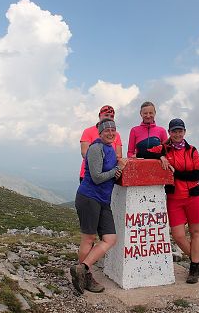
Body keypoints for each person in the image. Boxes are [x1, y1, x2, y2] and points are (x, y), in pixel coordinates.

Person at [70, 119, 128, 294]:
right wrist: (118, 168)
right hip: (89, 197)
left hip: (103, 200)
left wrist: (118, 169)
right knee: (88, 239)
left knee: (110, 239)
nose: (110, 133)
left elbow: (110, 174)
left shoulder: (110, 148)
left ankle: (82, 268)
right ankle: (86, 278)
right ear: (100, 133)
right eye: (106, 130)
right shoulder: (96, 148)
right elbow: (96, 177)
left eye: (113, 130)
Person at [147, 118, 199, 284]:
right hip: (174, 198)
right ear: (169, 133)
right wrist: (161, 156)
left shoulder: (193, 150)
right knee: (178, 236)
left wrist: (175, 172)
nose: (178, 134)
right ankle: (198, 261)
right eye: (174, 131)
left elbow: (197, 175)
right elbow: (142, 151)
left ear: (185, 132)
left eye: (180, 131)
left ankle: (193, 267)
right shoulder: (165, 149)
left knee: (195, 232)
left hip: (194, 195)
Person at [79, 105, 123, 182]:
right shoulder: (88, 131)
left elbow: (119, 155)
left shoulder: (116, 134)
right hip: (89, 174)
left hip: (109, 175)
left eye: (112, 116)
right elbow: (85, 153)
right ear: (100, 116)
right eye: (106, 115)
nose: (109, 118)